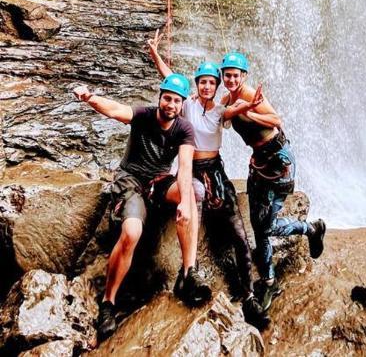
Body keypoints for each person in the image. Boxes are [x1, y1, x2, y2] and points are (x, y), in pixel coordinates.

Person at [73, 73, 211, 342]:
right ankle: (108, 303)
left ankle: (188, 273)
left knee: (194, 192)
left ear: (182, 104)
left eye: (176, 101)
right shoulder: (144, 115)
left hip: (159, 183)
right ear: (160, 98)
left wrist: (183, 201)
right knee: (132, 232)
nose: (171, 104)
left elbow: (184, 168)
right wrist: (90, 97)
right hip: (132, 182)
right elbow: (115, 110)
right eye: (167, 98)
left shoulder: (184, 129)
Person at [146, 30, 266, 327]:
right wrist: (155, 54)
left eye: (212, 83)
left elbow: (240, 106)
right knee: (192, 214)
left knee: (238, 231)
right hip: (190, 170)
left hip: (216, 171)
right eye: (203, 82)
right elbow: (169, 76)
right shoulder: (185, 104)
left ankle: (249, 295)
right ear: (197, 85)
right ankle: (188, 274)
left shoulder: (223, 111)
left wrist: (252, 105)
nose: (208, 86)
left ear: (215, 87)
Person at [220, 51, 326, 309]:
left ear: (243, 76)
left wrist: (248, 111)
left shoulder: (248, 95)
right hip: (259, 164)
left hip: (278, 162)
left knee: (265, 230)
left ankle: (274, 277)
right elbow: (212, 110)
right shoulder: (228, 97)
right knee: (261, 226)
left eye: (236, 75)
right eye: (227, 75)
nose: (231, 79)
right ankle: (306, 232)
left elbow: (276, 120)